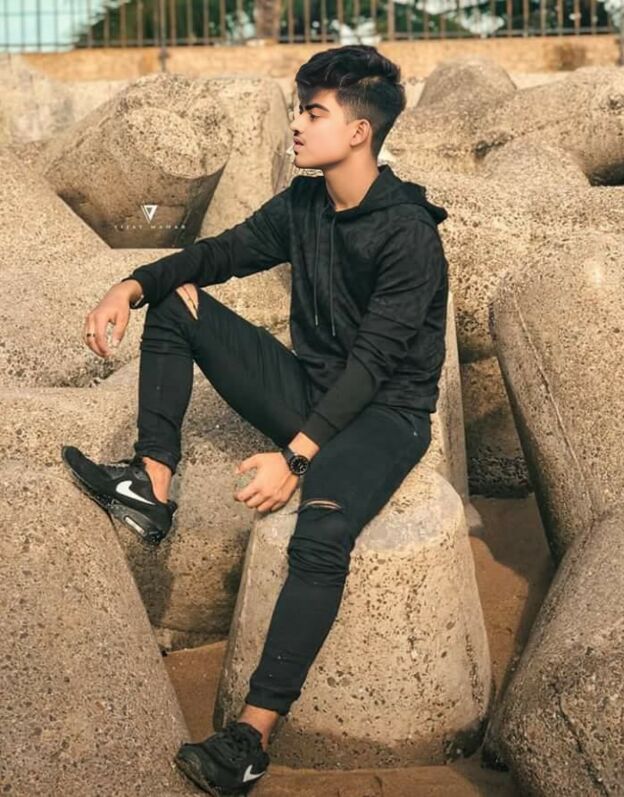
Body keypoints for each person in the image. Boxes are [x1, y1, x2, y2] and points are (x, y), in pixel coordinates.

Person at [61, 43, 449, 795]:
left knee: (322, 531)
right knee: (179, 301)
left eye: (313, 112)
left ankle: (248, 740)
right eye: (299, 110)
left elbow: (374, 366)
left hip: (387, 414)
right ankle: (151, 482)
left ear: (359, 131)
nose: (296, 125)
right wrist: (129, 285)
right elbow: (218, 254)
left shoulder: (408, 232)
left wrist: (295, 459)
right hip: (312, 388)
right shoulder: (304, 205)